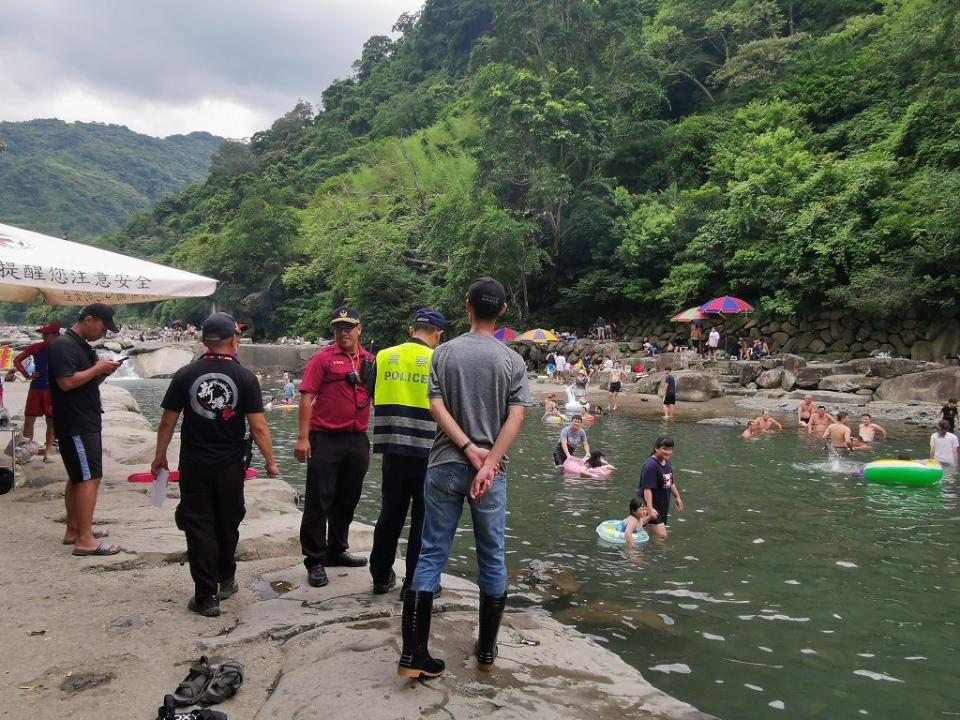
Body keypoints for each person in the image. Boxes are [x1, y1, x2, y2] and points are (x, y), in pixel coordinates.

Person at [398, 277, 529, 679]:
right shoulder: (513, 360)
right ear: (502, 312)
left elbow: (435, 406)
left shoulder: (444, 353)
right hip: (491, 471)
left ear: (467, 305)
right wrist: (487, 463)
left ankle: (414, 655)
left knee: (432, 550)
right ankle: (487, 652)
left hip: (443, 463)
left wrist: (466, 447)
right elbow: (516, 417)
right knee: (492, 554)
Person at [152, 313, 279, 617]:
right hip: (230, 465)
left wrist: (159, 456)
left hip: (194, 462)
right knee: (228, 519)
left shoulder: (185, 374)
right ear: (234, 340)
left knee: (199, 524)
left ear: (203, 340)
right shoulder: (244, 378)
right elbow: (259, 427)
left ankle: (206, 595)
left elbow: (167, 421)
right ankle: (226, 577)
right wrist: (271, 462)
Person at [295, 306, 375, 589]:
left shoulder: (370, 361)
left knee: (348, 497)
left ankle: (337, 549)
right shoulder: (323, 360)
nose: (343, 332)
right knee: (319, 499)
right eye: (339, 328)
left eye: (349, 327)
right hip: (325, 437)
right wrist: (302, 438)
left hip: (357, 438)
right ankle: (315, 559)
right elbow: (306, 397)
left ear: (359, 329)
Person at [368, 308, 446, 598]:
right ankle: (414, 582)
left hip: (392, 448)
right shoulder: (439, 358)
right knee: (423, 519)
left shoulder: (384, 356)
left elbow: (373, 397)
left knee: (390, 513)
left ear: (412, 329)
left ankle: (380, 576)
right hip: (430, 451)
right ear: (438, 333)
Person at [48, 304, 123, 555]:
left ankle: (75, 529)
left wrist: (104, 372)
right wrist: (97, 368)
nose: (104, 334)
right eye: (103, 328)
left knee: (78, 477)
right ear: (89, 319)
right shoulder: (63, 345)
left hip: (83, 418)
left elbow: (87, 379)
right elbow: (66, 382)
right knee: (90, 477)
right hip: (77, 422)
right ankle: (85, 540)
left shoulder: (80, 345)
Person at [13, 321, 61, 463]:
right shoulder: (37, 347)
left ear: (56, 334)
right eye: (43, 334)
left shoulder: (63, 348)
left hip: (53, 389)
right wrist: (27, 374)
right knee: (29, 420)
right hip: (36, 388)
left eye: (47, 334)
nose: (44, 337)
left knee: (51, 422)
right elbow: (17, 360)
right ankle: (26, 453)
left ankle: (47, 453)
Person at [637, 435, 683, 539]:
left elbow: (670, 482)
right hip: (649, 506)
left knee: (648, 534)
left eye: (670, 449)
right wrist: (650, 509)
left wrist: (678, 497)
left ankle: (643, 551)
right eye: (665, 449)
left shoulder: (667, 463)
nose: (668, 452)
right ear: (656, 448)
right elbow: (647, 489)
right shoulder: (651, 465)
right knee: (662, 536)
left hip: (661, 506)